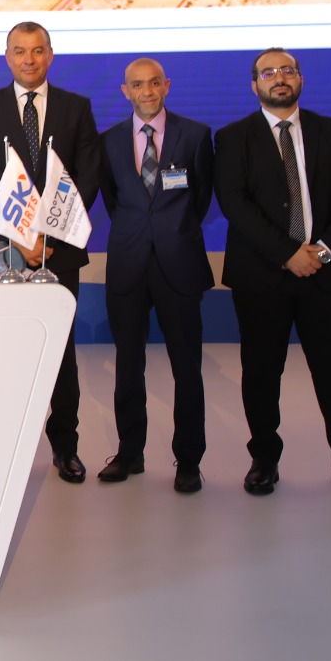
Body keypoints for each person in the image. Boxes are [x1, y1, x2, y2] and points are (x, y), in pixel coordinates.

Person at [214, 47, 331, 500]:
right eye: (269, 72)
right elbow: (235, 204)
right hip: (262, 277)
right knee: (261, 372)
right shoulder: (233, 137)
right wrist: (287, 254)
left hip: (327, 274)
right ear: (254, 84)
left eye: (288, 70)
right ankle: (264, 460)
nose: (280, 77)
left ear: (300, 78)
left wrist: (322, 251)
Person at [0, 22, 100, 483]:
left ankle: (66, 447)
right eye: (20, 51)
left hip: (58, 252)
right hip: (4, 250)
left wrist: (50, 236)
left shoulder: (76, 108)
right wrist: (21, 235)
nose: (29, 59)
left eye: (37, 50)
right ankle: (0, 448)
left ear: (50, 55)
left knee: (61, 353)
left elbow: (86, 176)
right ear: (7, 57)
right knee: (2, 351)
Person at [97, 58, 214, 493]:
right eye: (137, 85)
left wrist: (170, 232)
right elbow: (113, 199)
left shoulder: (196, 135)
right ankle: (130, 453)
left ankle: (189, 460)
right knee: (128, 365)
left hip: (179, 263)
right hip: (128, 264)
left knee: (187, 368)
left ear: (166, 85)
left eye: (153, 83)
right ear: (124, 91)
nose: (146, 91)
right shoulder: (108, 141)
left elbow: (201, 198)